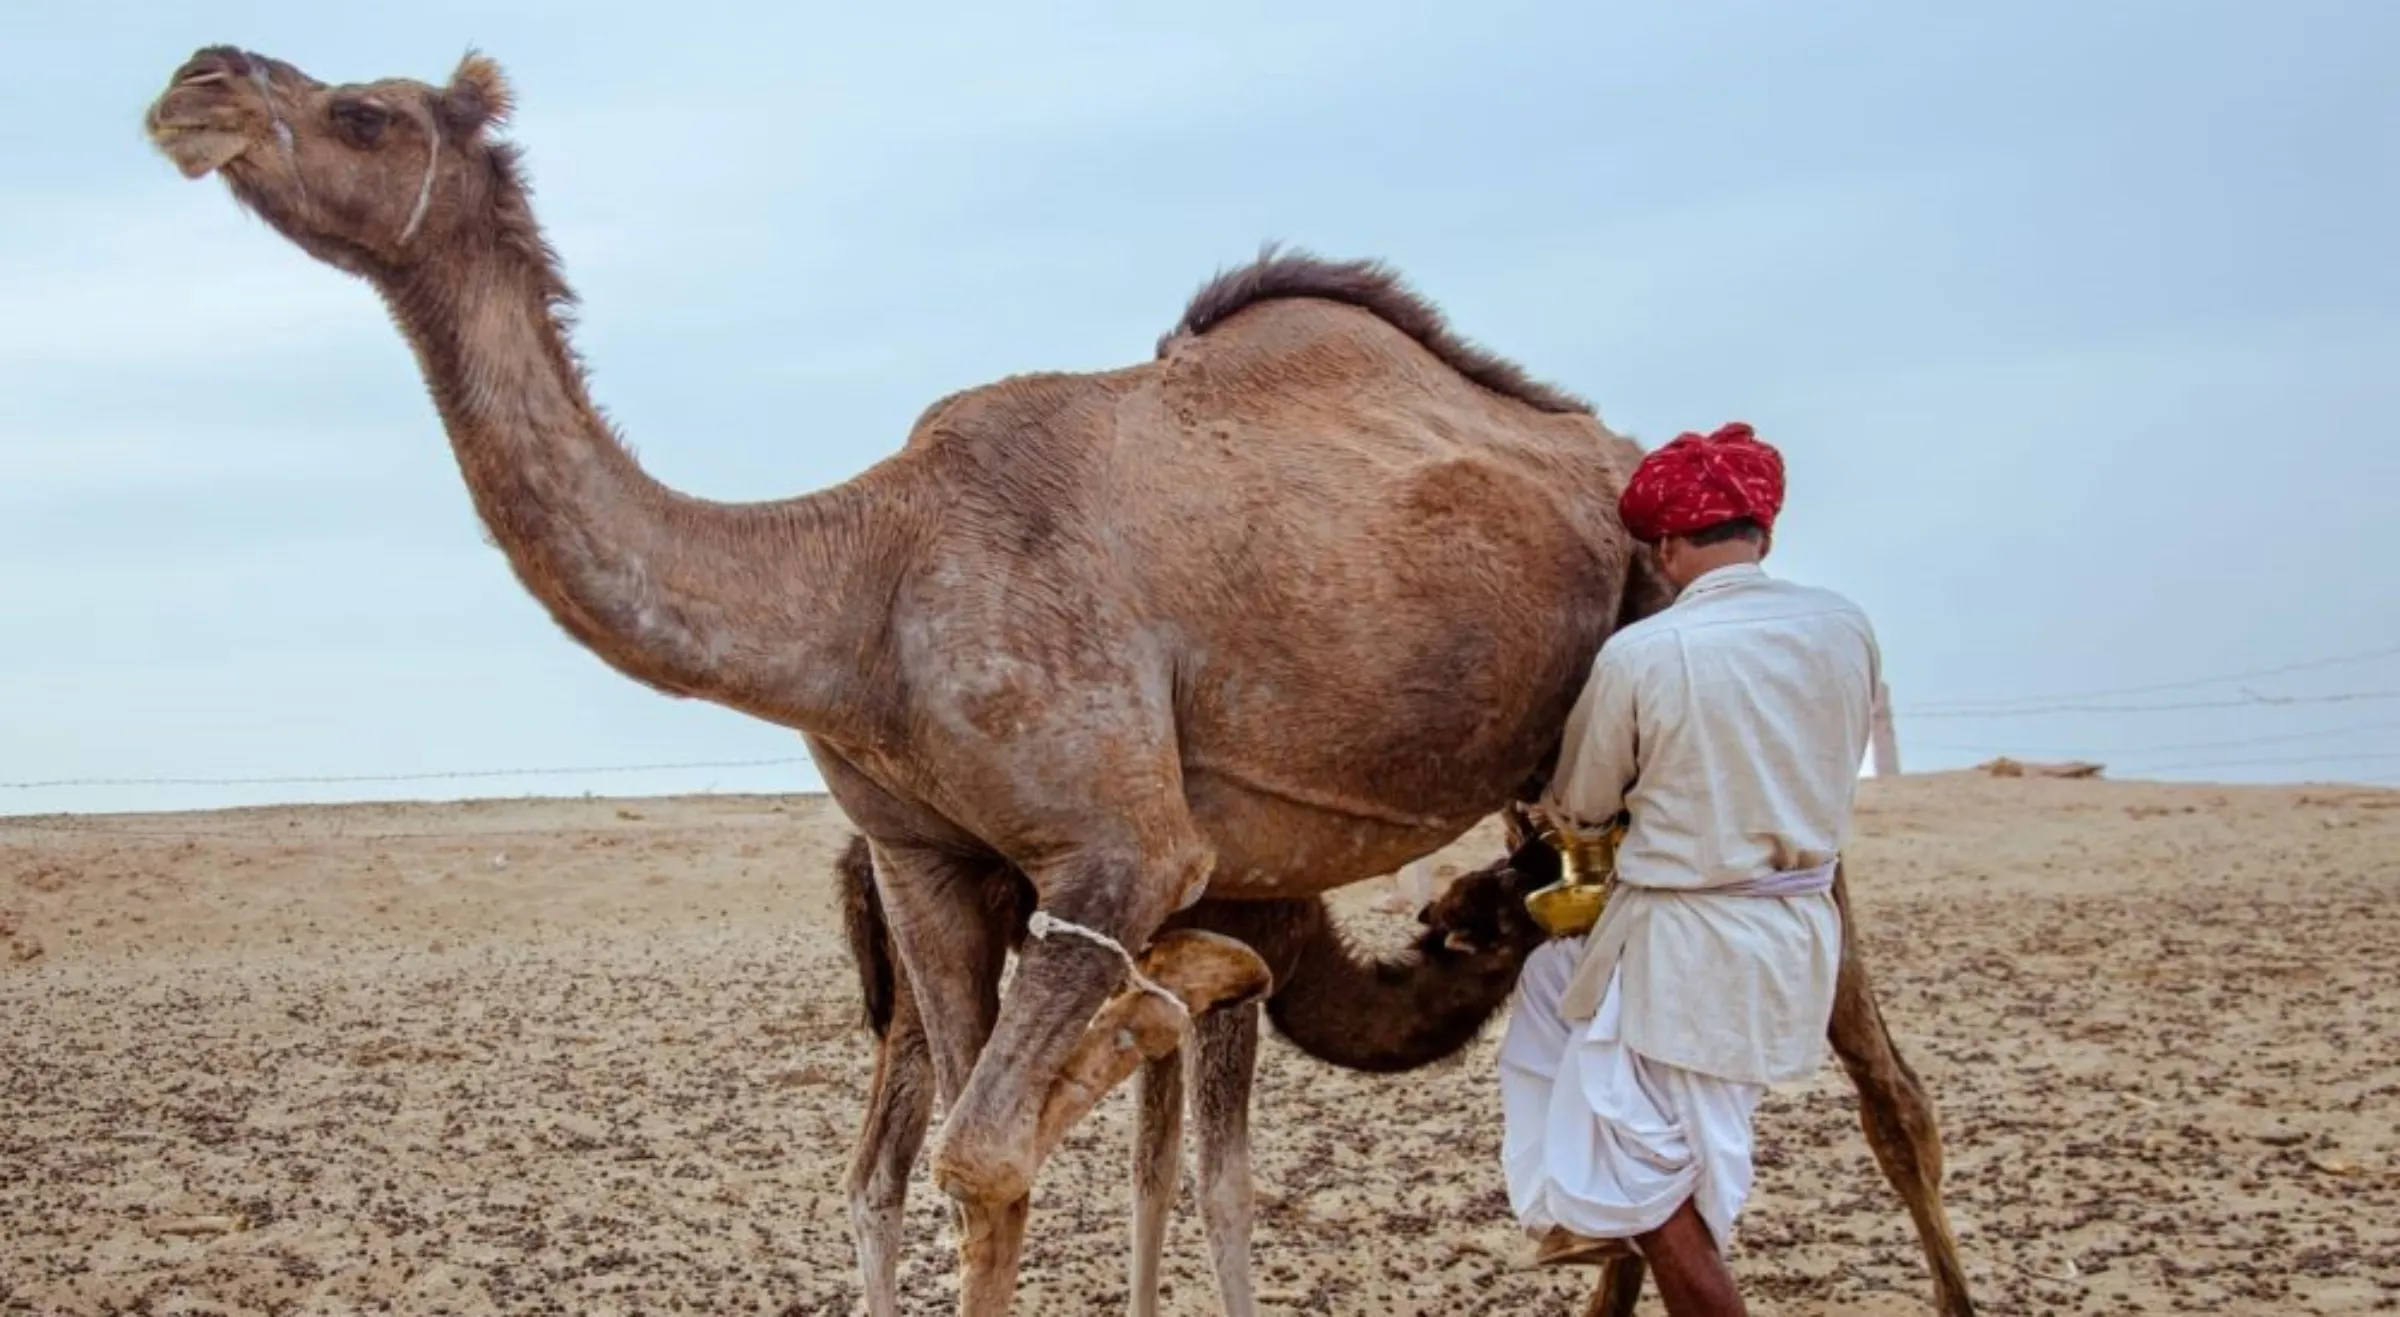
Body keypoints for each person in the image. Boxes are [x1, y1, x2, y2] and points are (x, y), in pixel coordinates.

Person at [1497, 421, 1881, 1316]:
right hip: (1796, 930)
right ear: (1766, 536)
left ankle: (1621, 1224)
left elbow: (1583, 804)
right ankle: (1592, 1210)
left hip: (1683, 941)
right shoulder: (1845, 627)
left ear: (1666, 547)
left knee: (1650, 1159)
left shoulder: (1643, 653)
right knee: (1569, 999)